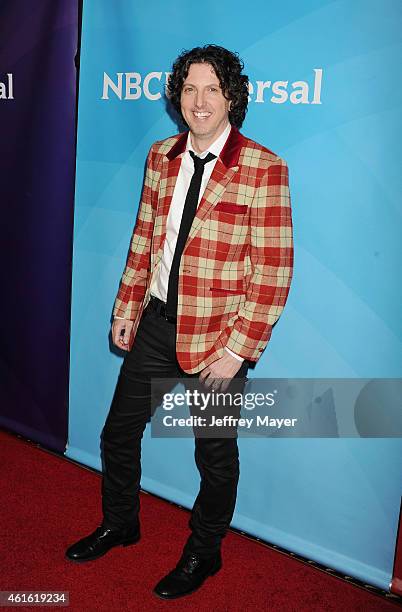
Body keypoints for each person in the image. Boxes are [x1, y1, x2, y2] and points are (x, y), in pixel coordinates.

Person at [65, 44, 293, 599]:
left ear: (232, 97)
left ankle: (204, 552)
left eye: (212, 88)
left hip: (219, 339)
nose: (199, 100)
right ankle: (122, 522)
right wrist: (126, 309)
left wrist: (239, 350)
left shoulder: (262, 167)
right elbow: (144, 241)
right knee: (118, 434)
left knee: (213, 456)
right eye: (189, 88)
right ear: (177, 97)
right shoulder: (160, 155)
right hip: (158, 323)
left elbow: (274, 270)